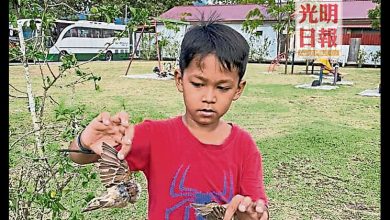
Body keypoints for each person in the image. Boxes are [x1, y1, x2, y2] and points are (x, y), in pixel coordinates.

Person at [68, 21, 269, 220]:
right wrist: (86, 143)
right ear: (179, 80)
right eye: (198, 84)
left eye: (223, 87)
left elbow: (256, 208)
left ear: (238, 89)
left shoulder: (244, 146)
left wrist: (250, 214)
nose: (209, 97)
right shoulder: (154, 135)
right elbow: (82, 157)